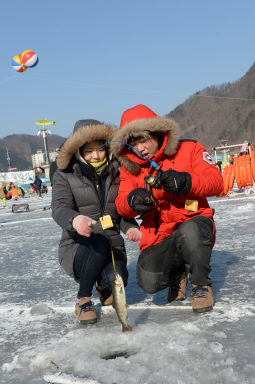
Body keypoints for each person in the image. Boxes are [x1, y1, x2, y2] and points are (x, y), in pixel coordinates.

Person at [111, 104, 223, 313]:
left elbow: (217, 182)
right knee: (148, 281)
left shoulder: (189, 148)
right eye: (133, 144)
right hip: (159, 235)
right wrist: (133, 200)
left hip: (193, 221)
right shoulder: (130, 167)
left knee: (191, 232)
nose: (140, 148)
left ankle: (201, 284)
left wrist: (186, 181)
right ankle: (178, 274)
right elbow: (121, 205)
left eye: (143, 140)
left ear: (157, 132)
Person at [51, 119, 141, 324]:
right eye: (89, 151)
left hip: (111, 246)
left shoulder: (117, 171)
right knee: (98, 241)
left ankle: (102, 285)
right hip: (79, 247)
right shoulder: (64, 174)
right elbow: (59, 208)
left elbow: (122, 212)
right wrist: (75, 220)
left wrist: (131, 228)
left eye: (100, 149)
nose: (95, 155)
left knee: (118, 279)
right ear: (78, 151)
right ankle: (83, 299)